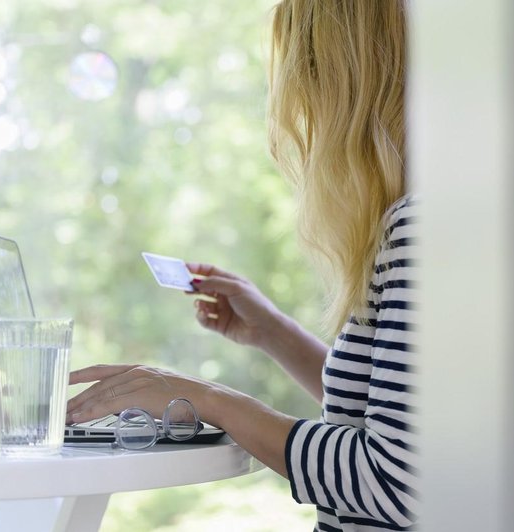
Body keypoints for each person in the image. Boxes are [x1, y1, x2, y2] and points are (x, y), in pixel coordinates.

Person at [66, 1, 418, 530]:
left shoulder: (420, 227)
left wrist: (204, 397)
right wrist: (273, 332)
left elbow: (393, 481)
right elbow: (390, 413)